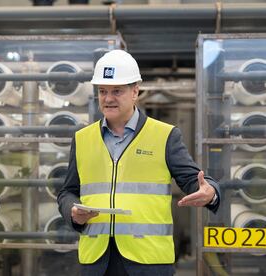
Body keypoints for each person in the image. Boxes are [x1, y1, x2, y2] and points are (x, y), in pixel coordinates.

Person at [57, 49, 220, 276]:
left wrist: (210, 191)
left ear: (135, 91)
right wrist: (72, 212)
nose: (108, 98)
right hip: (96, 261)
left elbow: (195, 180)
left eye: (117, 91)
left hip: (149, 261)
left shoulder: (164, 135)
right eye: (102, 91)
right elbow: (67, 192)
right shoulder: (82, 139)